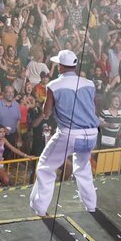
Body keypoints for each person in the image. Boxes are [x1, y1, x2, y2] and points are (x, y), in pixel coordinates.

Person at [29, 50, 100, 215]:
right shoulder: (89, 83)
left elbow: (46, 113)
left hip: (69, 133)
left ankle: (39, 207)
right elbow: (91, 106)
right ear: (74, 66)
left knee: (46, 166)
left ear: (60, 66)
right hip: (91, 133)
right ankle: (91, 205)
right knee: (83, 167)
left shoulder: (53, 86)